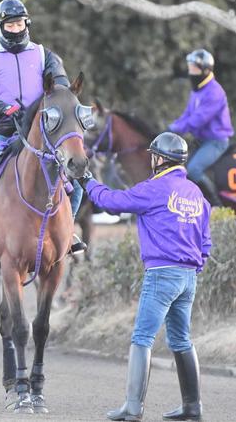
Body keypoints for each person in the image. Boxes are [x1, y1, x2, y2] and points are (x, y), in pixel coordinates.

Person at [78, 132, 211, 421]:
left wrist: (87, 180)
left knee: (142, 338)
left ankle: (133, 407)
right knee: (182, 340)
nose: (152, 160)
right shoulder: (196, 192)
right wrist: (195, 265)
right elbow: (206, 240)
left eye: (154, 155)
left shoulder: (155, 188)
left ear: (161, 159)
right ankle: (192, 407)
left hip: (162, 273)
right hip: (188, 277)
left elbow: (112, 202)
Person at [0, 0, 85, 253]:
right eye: (10, 25)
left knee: (75, 186)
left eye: (20, 23)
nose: (16, 29)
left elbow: (61, 88)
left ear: (27, 23)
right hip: (1, 133)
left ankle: (69, 233)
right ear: (1, 26)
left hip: (41, 135)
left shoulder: (45, 55)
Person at [168, 49, 234, 207]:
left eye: (195, 69)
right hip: (201, 140)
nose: (191, 72)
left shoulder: (215, 92)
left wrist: (175, 129)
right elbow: (187, 115)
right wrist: (170, 127)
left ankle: (216, 205)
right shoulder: (197, 91)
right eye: (190, 68)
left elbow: (198, 120)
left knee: (193, 169)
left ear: (206, 70)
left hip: (215, 141)